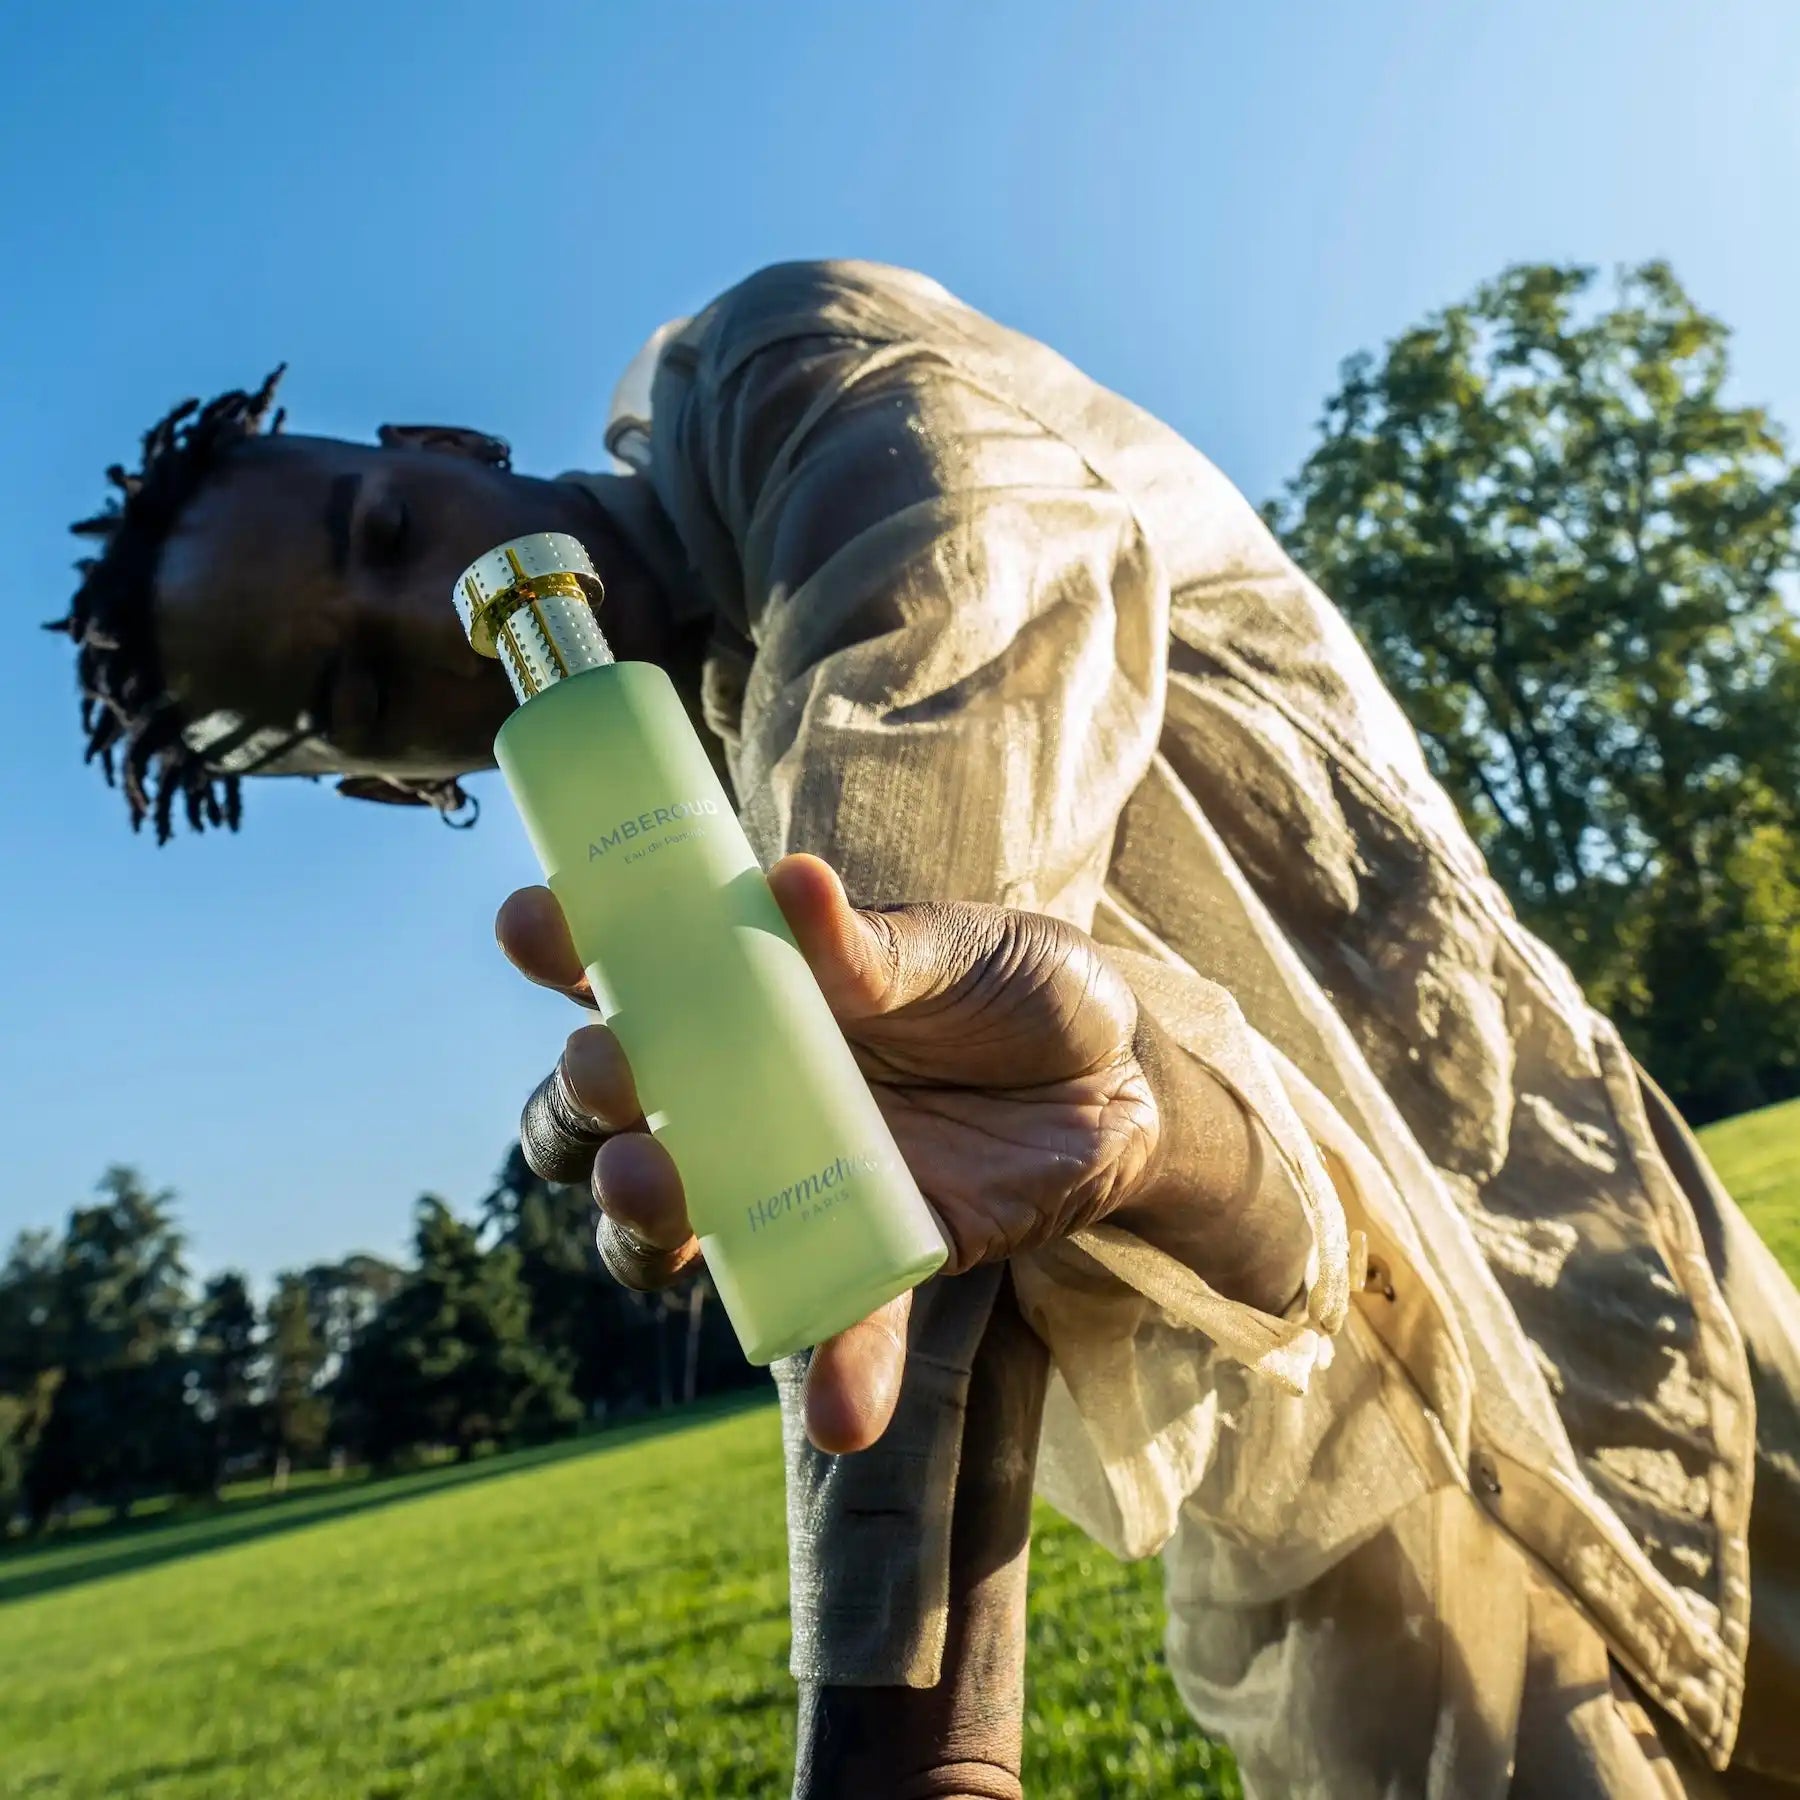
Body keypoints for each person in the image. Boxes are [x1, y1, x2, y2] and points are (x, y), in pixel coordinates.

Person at [50, 259, 1800, 1797]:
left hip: (1550, 1222)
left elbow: (934, 680)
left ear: (438, 450)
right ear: (384, 779)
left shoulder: (780, 377)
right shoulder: (676, 806)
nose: (443, 617)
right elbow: (961, 1170)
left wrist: (906, 1739)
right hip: (1314, 1458)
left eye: (387, 535)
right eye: (364, 684)